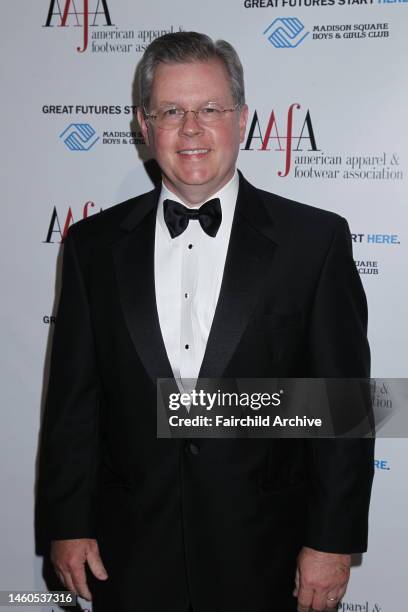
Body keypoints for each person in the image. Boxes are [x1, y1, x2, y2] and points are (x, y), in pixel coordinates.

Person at [39, 31, 374, 612]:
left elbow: (342, 406)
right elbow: (74, 402)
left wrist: (332, 541)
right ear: (145, 126)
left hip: (268, 549)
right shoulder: (91, 247)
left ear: (241, 119)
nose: (190, 128)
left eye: (210, 109)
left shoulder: (313, 242)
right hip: (130, 548)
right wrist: (68, 522)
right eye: (171, 111)